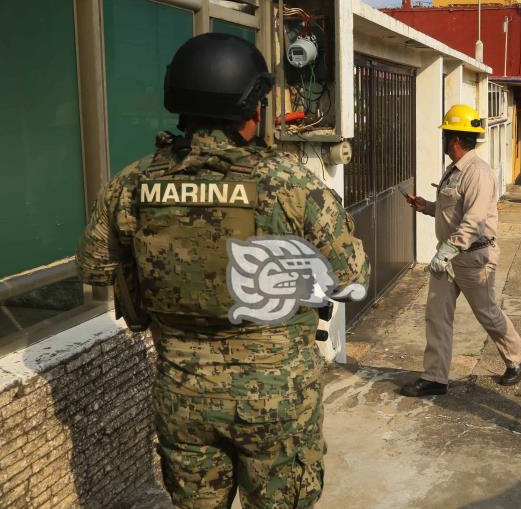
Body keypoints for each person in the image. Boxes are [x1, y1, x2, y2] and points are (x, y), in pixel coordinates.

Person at [77, 34, 370, 507]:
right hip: (275, 397)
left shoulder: (133, 184)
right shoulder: (290, 184)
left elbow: (94, 265)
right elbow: (351, 275)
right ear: (249, 111)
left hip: (183, 395)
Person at [399, 104, 521, 397]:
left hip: (473, 259)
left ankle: (518, 358)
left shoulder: (478, 173)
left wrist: (445, 252)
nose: (443, 140)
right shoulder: (454, 171)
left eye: (446, 134)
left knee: (487, 313)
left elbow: (473, 222)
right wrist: (427, 207)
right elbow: (454, 212)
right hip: (449, 258)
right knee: (437, 315)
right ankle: (435, 377)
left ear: (455, 139)